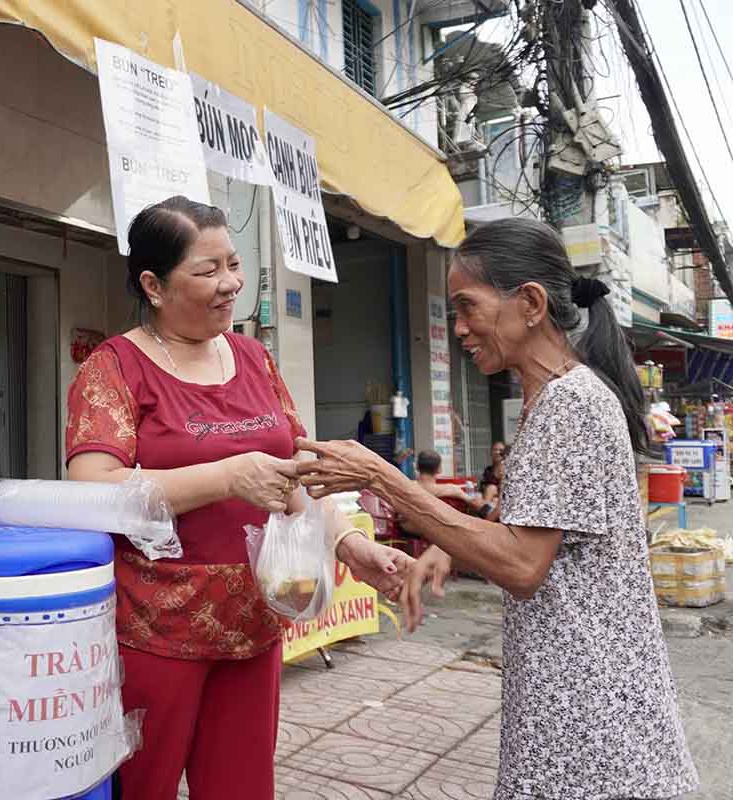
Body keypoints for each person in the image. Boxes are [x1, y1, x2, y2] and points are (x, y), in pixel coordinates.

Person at [294, 217, 697, 800]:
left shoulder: (569, 405)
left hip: (589, 714)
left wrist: (382, 476)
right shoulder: (555, 398)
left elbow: (522, 565)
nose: (457, 328)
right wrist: (443, 546)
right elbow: (538, 532)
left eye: (466, 308)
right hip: (579, 699)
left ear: (530, 303)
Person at [64, 196, 411, 800]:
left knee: (241, 788)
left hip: (256, 622)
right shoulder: (114, 367)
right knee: (141, 787)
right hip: (154, 630)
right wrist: (225, 476)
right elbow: (92, 490)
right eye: (206, 271)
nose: (230, 285)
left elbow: (296, 477)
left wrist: (352, 545)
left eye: (233, 264)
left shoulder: (256, 359)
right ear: (153, 283)